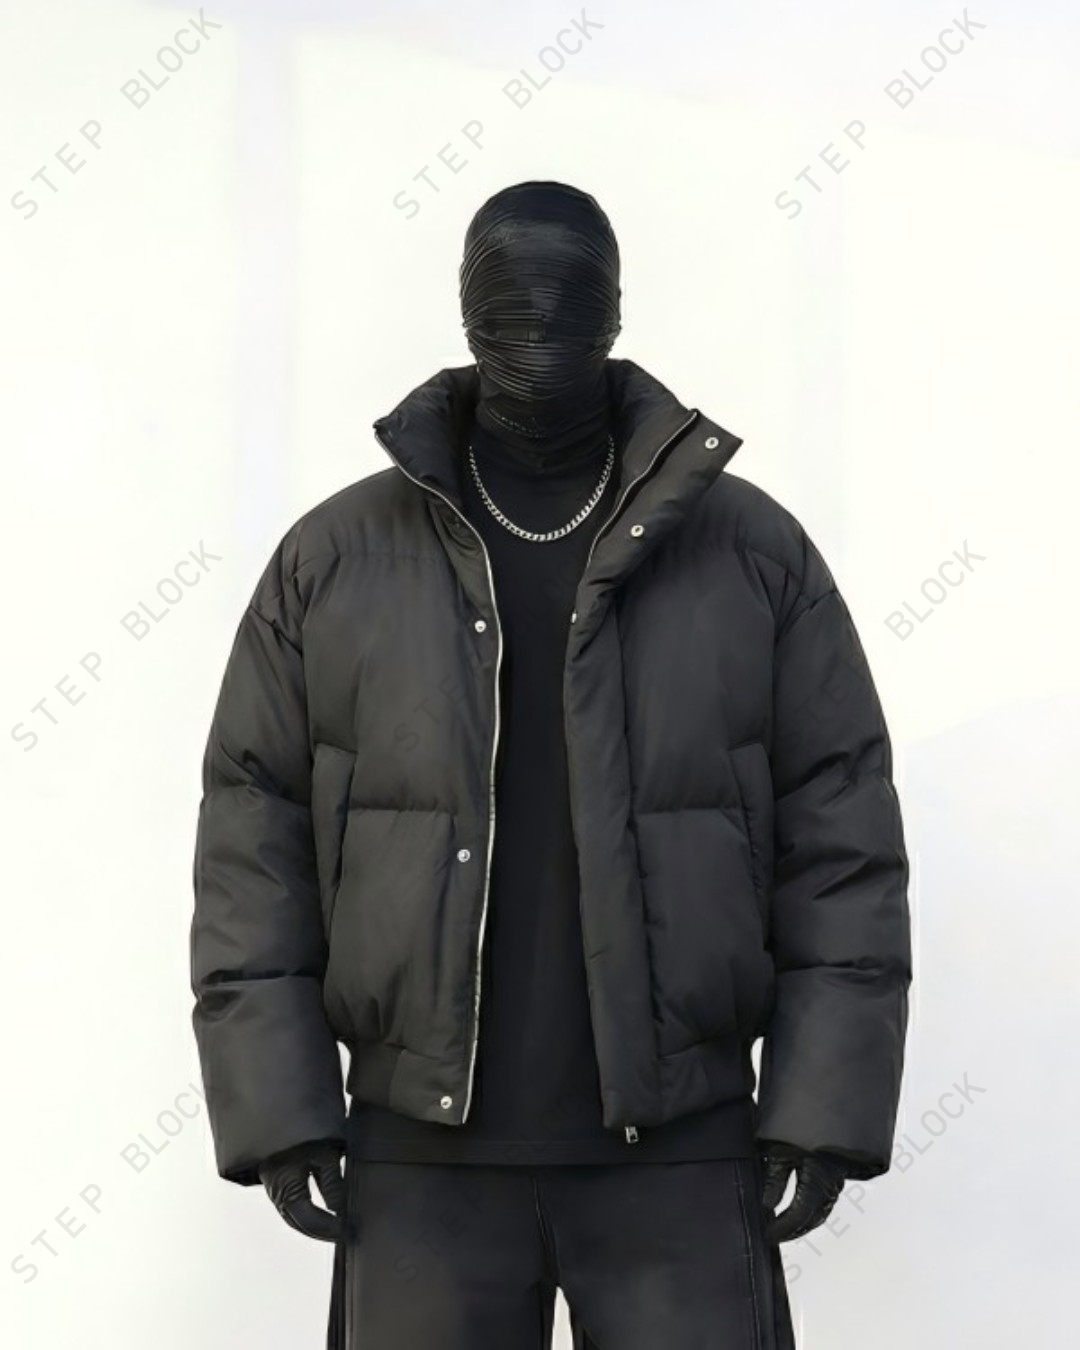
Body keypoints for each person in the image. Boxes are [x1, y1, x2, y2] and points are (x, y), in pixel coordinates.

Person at [190, 181, 912, 1349]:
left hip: (681, 1148)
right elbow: (251, 836)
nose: (538, 333)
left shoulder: (751, 550)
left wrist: (822, 1105)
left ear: (616, 310)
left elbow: (843, 831)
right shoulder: (336, 559)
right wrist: (279, 1104)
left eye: (568, 302)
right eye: (509, 303)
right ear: (463, 309)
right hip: (420, 1161)